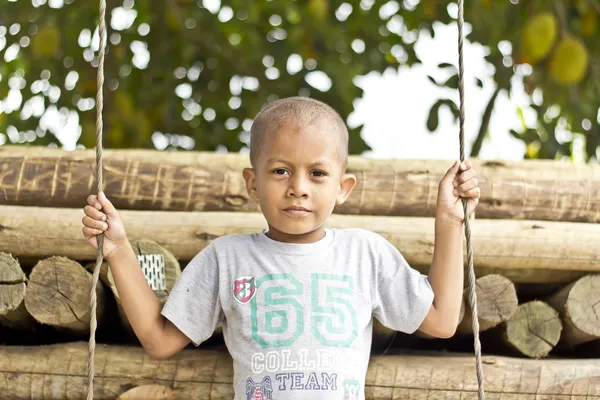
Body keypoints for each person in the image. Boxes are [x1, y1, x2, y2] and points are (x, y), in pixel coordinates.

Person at [82, 96, 480, 400]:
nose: (298, 187)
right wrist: (118, 249)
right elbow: (159, 338)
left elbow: (442, 321)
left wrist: (449, 221)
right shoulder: (227, 259)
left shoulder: (365, 254)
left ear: (343, 189)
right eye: (280, 171)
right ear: (253, 183)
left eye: (318, 173)